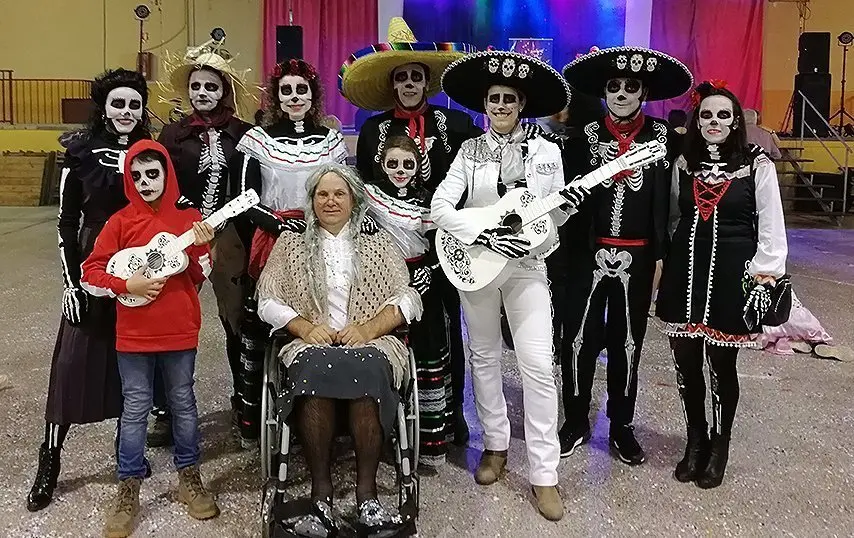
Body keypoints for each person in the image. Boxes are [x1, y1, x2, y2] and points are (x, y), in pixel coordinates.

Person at [432, 49, 586, 521]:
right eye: (494, 99)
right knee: (482, 356)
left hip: (526, 269)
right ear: (485, 105)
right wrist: (481, 233)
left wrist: (565, 207)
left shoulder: (547, 152)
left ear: (521, 104)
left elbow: (553, 218)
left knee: (538, 364)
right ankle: (495, 446)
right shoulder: (468, 151)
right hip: (476, 265)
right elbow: (440, 207)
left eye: (509, 99)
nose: (500, 106)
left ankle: (544, 474)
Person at [256, 164, 422, 536]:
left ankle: (367, 497)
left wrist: (368, 329)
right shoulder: (290, 244)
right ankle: (321, 497)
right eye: (322, 194)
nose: (330, 201)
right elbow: (266, 300)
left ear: (354, 200)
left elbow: (408, 298)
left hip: (371, 342)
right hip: (310, 342)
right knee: (315, 374)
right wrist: (303, 326)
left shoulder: (380, 244)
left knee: (367, 375)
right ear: (311, 201)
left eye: (339, 194)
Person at [341, 17, 482, 445]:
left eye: (415, 77)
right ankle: (384, 414)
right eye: (400, 77)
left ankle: (450, 413)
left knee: (444, 329)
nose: (408, 84)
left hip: (443, 247)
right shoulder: (372, 130)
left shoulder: (455, 126)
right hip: (387, 251)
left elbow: (487, 158)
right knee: (386, 326)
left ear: (427, 82)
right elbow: (362, 187)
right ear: (392, 84)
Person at [25, 68, 152, 512]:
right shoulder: (80, 152)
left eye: (134, 104)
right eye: (118, 104)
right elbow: (65, 223)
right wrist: (71, 283)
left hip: (139, 268)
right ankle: (50, 459)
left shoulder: (148, 152)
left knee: (131, 365)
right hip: (91, 268)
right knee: (72, 366)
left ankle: (127, 449)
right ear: (104, 107)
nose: (126, 112)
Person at [559, 47, 692, 465]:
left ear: (643, 92)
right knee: (577, 339)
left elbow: (678, 199)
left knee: (628, 342)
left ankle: (621, 425)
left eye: (630, 86)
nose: (620, 93)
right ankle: (576, 419)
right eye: (613, 86)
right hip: (588, 254)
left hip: (638, 259)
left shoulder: (665, 139)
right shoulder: (583, 138)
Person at [81, 140, 219, 536]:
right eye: (136, 176)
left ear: (167, 175)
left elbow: (198, 275)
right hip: (134, 334)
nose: (144, 182)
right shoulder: (120, 223)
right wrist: (128, 282)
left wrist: (202, 246)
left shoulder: (189, 219)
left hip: (179, 329)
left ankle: (189, 476)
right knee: (136, 407)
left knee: (183, 403)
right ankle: (128, 486)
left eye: (152, 174)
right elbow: (91, 272)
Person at [656, 81, 788, 489]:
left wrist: (765, 272)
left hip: (731, 275)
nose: (714, 121)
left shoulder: (756, 164)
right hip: (685, 272)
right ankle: (694, 440)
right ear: (697, 120)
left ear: (736, 122)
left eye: (723, 115)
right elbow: (672, 216)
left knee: (721, 365)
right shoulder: (684, 161)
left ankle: (720, 445)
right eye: (707, 115)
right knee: (685, 362)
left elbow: (771, 225)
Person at [231, 59, 351, 447]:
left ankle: (326, 407)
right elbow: (244, 199)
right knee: (274, 322)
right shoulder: (257, 140)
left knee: (325, 312)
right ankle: (266, 413)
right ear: (276, 96)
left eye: (302, 90)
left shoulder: (331, 141)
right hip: (275, 239)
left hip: (326, 236)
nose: (294, 97)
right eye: (287, 90)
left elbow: (344, 190)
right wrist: (279, 225)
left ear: (313, 96)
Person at [153, 30, 256, 445]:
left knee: (237, 318)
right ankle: (165, 409)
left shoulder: (244, 132)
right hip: (183, 232)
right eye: (195, 86)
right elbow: (161, 185)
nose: (201, 92)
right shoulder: (172, 135)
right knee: (170, 315)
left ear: (224, 90)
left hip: (230, 234)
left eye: (210, 86)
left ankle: (243, 395)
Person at [364, 135, 452, 469]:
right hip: (379, 279)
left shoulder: (428, 201)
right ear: (382, 165)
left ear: (417, 167)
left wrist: (429, 271)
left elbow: (440, 246)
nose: (400, 171)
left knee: (426, 353)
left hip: (418, 281)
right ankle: (375, 431)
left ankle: (426, 440)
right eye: (393, 164)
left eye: (407, 164)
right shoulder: (368, 195)